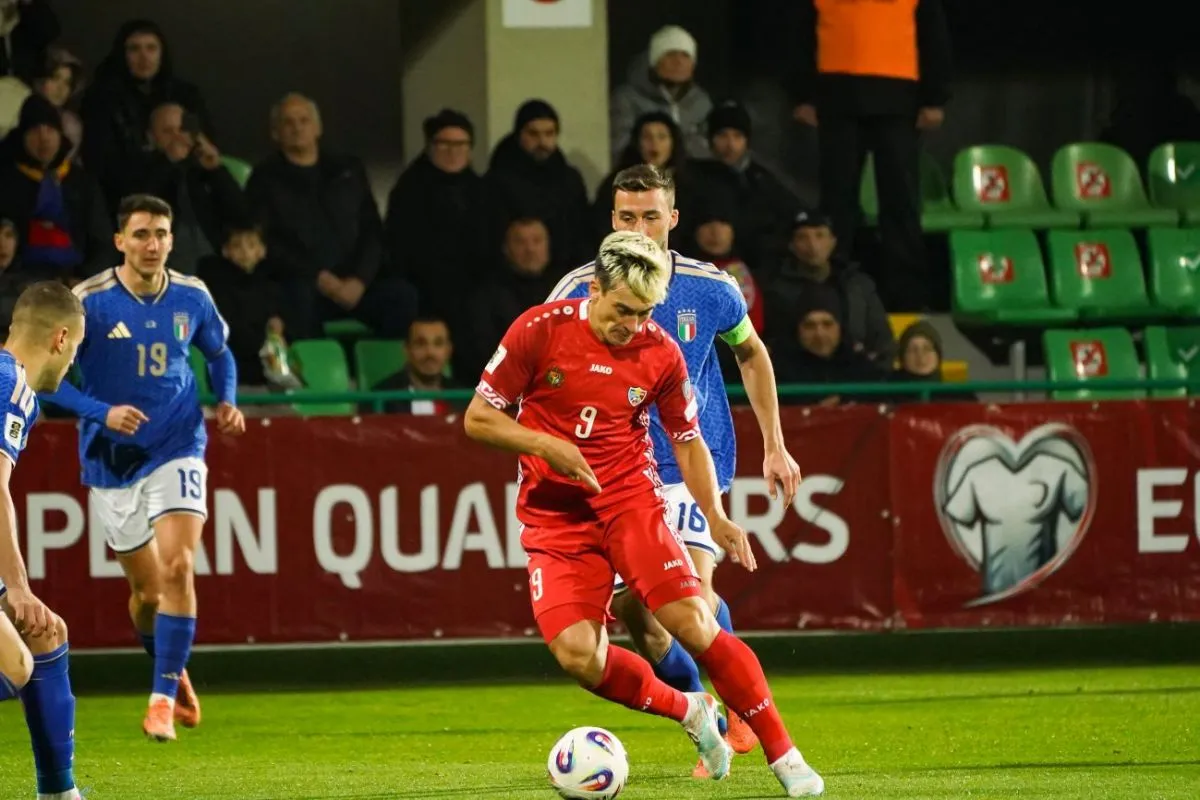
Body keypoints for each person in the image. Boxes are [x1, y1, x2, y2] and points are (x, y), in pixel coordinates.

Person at [467, 231, 823, 796]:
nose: (632, 325)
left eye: (645, 312)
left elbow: (687, 440)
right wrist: (547, 446)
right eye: (622, 310)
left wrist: (716, 514)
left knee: (694, 619)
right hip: (555, 517)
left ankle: (786, 755)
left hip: (629, 502)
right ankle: (691, 710)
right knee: (578, 656)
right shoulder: (539, 329)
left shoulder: (660, 352)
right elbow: (478, 418)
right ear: (595, 289)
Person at [547, 164, 803, 776]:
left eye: (651, 217)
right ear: (612, 220)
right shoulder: (576, 291)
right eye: (627, 217)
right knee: (640, 617)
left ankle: (743, 709)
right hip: (612, 470)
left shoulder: (710, 287)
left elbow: (751, 352)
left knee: (690, 597)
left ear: (673, 219)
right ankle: (705, 714)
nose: (639, 229)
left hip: (686, 459)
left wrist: (775, 443)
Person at [41, 193, 246, 742]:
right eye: (140, 234)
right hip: (111, 458)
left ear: (172, 240)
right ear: (119, 241)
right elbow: (46, 378)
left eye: (160, 234)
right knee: (149, 595)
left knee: (179, 566)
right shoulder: (89, 302)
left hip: (178, 442)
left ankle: (159, 699)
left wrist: (227, 399)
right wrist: (100, 411)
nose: (151, 244)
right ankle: (172, 669)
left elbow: (220, 353)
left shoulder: (192, 295)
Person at [0, 281, 85, 800]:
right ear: (60, 339)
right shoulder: (11, 386)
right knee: (16, 663)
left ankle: (59, 794)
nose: (71, 363)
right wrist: (17, 586)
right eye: (75, 349)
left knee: (43, 636)